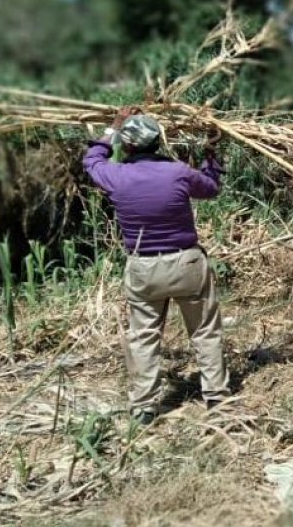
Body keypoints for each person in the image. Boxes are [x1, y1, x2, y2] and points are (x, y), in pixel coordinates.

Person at [83, 108, 231, 424]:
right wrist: (211, 153)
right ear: (157, 142)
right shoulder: (178, 172)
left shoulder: (116, 176)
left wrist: (112, 129)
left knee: (144, 337)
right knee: (205, 332)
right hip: (186, 263)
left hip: (144, 269)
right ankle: (217, 398)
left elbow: (92, 161)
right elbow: (211, 187)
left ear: (128, 145)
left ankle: (144, 408)